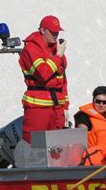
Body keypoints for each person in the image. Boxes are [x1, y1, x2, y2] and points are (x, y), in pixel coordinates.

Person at [19, 15, 69, 143]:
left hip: (57, 109)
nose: (55, 35)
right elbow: (43, 73)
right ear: (42, 30)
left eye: (57, 32)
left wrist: (65, 108)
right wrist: (58, 55)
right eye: (52, 32)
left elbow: (62, 81)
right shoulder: (31, 48)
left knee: (57, 152)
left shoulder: (56, 49)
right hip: (38, 109)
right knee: (35, 148)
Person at [74, 86, 106, 165]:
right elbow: (79, 143)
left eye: (105, 102)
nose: (101, 105)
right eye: (98, 101)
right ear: (93, 100)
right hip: (94, 163)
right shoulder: (84, 116)